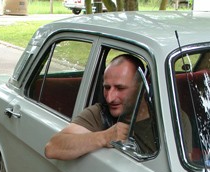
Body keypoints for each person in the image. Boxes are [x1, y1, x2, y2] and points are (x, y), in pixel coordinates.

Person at [46, 54, 191, 160]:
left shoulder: (173, 120)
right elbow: (53, 147)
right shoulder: (100, 114)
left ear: (142, 86)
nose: (110, 97)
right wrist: (104, 137)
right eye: (107, 87)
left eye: (120, 88)